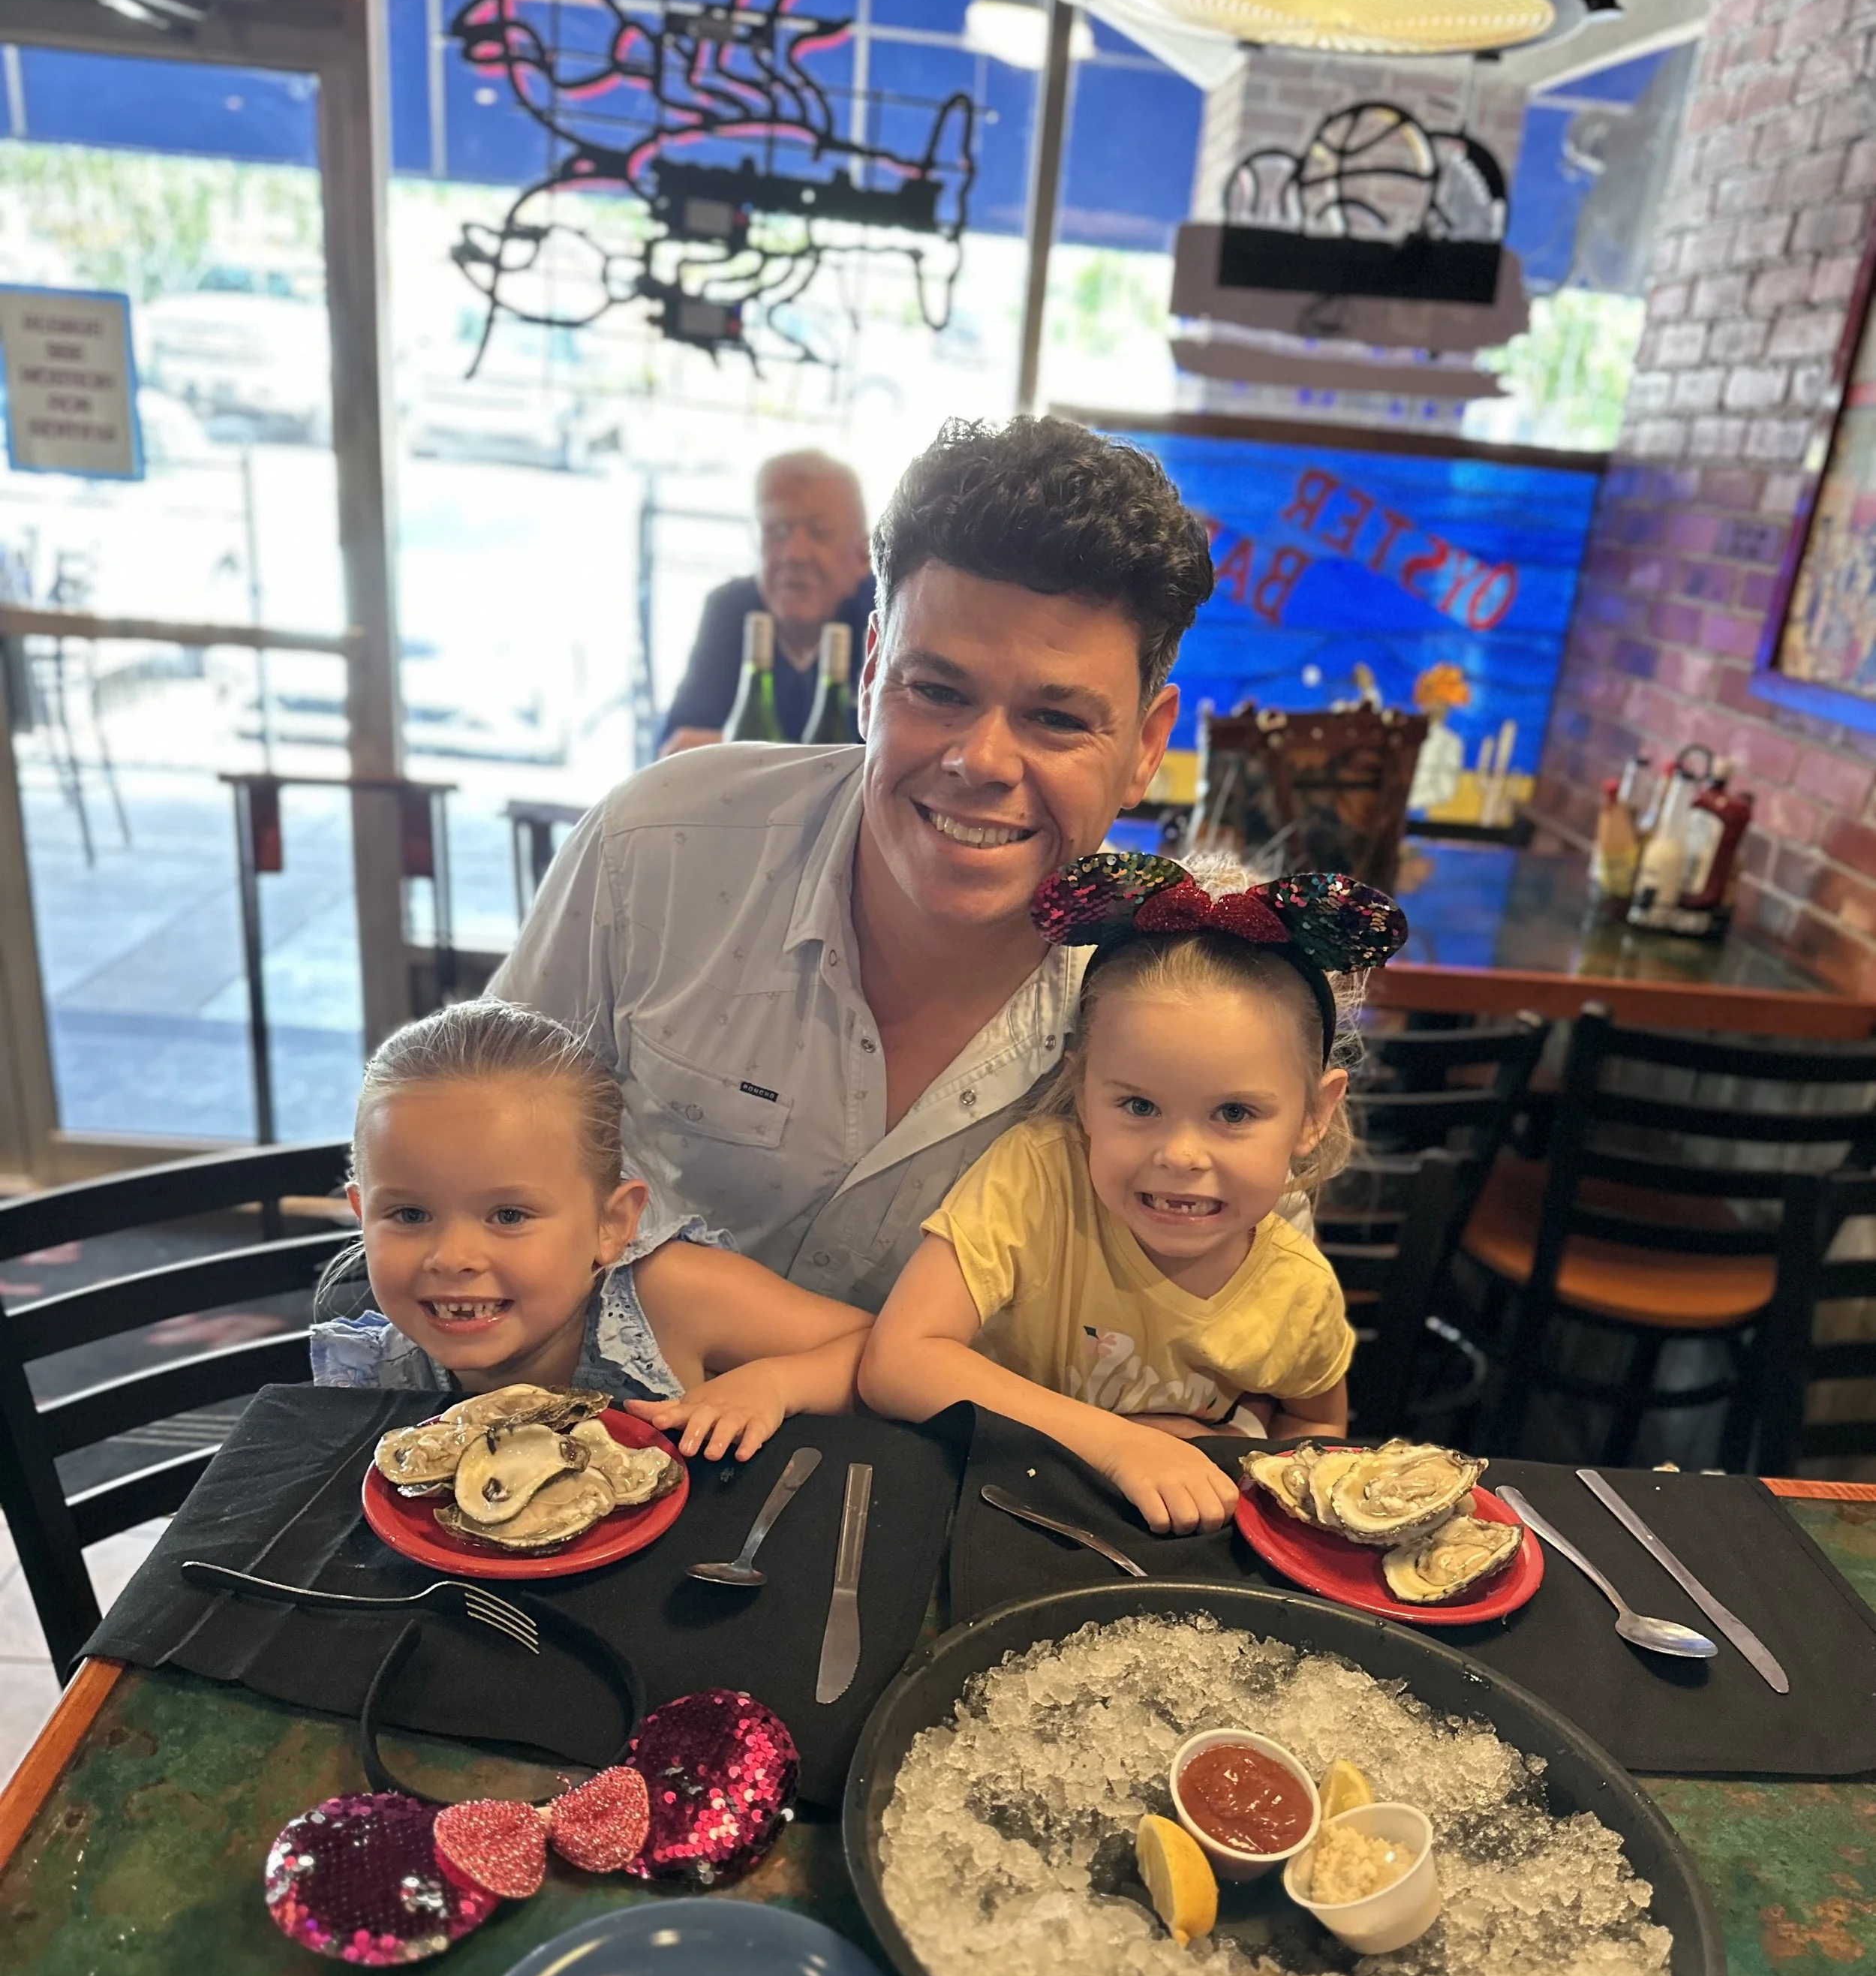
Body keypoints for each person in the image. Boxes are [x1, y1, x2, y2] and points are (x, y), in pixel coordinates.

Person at [494, 414, 1216, 1312]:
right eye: (938, 691)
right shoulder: (655, 847)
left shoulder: (1200, 993)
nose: (981, 761)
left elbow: (1233, 1334)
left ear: (1146, 747)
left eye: (1058, 719)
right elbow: (463, 1154)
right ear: (871, 672)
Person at [858, 853, 1409, 1533]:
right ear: (1084, 1092)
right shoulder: (1037, 1180)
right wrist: (1121, 1442)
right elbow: (898, 1361)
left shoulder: (1298, 1294)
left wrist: (1234, 1450)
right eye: (1139, 1105)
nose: (1179, 1155)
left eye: (1234, 1113)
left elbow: (1316, 1423)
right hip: (989, 1513)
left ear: (1314, 1116)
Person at [309, 1000, 870, 1462]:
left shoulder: (670, 1296)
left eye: (508, 1215)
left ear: (613, 1223)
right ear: (363, 1215)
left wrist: (775, 1385)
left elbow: (878, 1350)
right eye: (409, 1215)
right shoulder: (375, 1371)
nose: (452, 1258)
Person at [660, 450, 873, 751]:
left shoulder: (887, 618)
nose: (794, 554)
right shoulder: (730, 610)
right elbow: (678, 746)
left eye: (819, 532)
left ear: (862, 555)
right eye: (776, 531)